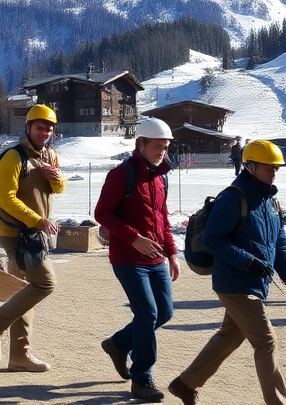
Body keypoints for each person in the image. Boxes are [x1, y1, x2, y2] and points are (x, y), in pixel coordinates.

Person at [168, 139, 286, 405]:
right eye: (268, 168)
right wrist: (249, 261)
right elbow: (213, 240)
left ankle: (185, 384)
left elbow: (279, 242)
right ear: (249, 166)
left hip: (254, 282)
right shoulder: (233, 197)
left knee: (230, 335)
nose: (274, 172)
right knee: (266, 341)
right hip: (235, 283)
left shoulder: (270, 201)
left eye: (276, 168)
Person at [94, 117, 179, 402]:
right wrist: (134, 238)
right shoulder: (121, 174)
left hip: (156, 260)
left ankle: (118, 344)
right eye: (157, 146)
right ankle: (142, 378)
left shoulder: (160, 176)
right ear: (140, 143)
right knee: (147, 314)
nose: (162, 152)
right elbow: (102, 214)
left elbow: (162, 218)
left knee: (165, 312)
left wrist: (172, 254)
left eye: (165, 148)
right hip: (128, 258)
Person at [0, 104, 66, 373]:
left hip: (35, 234)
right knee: (44, 284)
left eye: (49, 129)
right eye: (40, 127)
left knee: (24, 292)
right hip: (16, 234)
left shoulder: (49, 155)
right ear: (28, 127)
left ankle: (20, 355)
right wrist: (38, 220)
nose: (45, 132)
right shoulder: (13, 157)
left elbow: (58, 188)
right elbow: (5, 199)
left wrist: (56, 179)